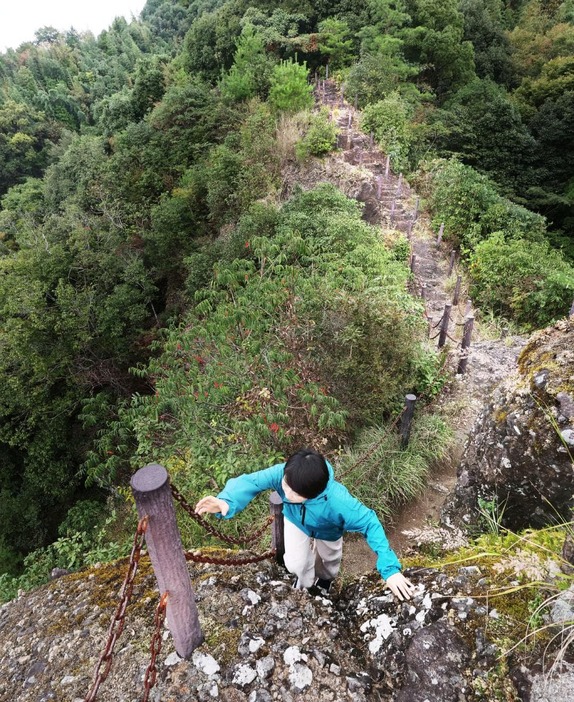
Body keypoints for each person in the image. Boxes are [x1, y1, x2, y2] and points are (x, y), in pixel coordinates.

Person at [195, 448, 414, 600]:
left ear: (313, 494)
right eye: (285, 486)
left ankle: (325, 582)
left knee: (329, 562)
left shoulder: (339, 502)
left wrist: (390, 570)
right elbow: (251, 481)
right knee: (297, 564)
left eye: (294, 492)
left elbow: (370, 522)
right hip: (295, 520)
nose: (286, 493)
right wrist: (225, 501)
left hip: (328, 529)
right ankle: (306, 587)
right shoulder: (287, 474)